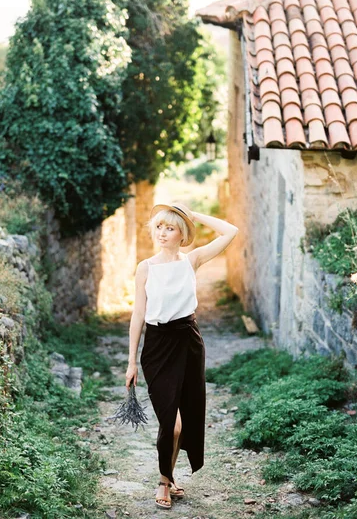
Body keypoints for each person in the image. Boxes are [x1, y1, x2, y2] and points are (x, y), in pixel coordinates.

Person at [125, 202, 238, 510]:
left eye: (170, 227)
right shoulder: (145, 268)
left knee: (185, 417)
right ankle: (163, 481)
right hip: (158, 346)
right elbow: (138, 314)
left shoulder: (192, 260)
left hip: (188, 342)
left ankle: (168, 477)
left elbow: (231, 231)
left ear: (182, 233)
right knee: (171, 424)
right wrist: (131, 360)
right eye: (159, 226)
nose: (162, 232)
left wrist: (193, 214)